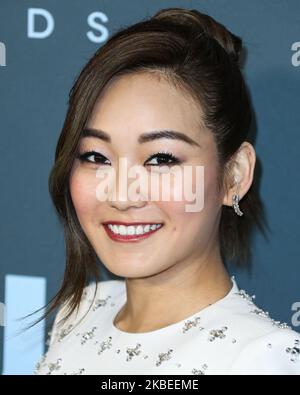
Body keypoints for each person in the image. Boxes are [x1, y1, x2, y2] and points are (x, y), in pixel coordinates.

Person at [35, 7, 300, 375]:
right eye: (96, 156)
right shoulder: (80, 311)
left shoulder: (259, 359)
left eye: (160, 159)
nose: (122, 196)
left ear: (235, 175)